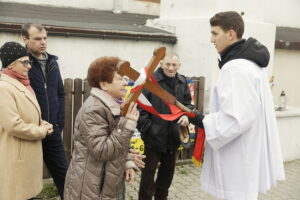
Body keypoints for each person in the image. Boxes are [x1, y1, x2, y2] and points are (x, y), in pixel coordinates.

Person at [199, 11, 285, 200]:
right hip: (245, 151)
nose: (211, 39)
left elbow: (236, 119)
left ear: (231, 34)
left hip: (237, 156)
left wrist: (204, 121)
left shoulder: (236, 68)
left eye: (215, 33)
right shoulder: (250, 64)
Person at [64, 56, 140, 200]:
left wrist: (127, 161)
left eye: (125, 78)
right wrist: (127, 125)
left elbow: (117, 142)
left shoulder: (117, 104)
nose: (125, 82)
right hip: (91, 186)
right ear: (104, 84)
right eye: (120, 79)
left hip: (109, 182)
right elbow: (102, 150)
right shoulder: (93, 109)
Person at [0, 41, 53, 200]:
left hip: (25, 155)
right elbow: (13, 125)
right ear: (10, 65)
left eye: (29, 61)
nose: (29, 66)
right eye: (24, 62)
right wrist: (41, 130)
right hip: (15, 157)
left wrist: (41, 122)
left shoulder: (21, 84)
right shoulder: (4, 88)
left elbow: (27, 114)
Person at [137, 53, 193, 200]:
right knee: (147, 179)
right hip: (153, 139)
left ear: (179, 66)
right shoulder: (150, 81)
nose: (171, 68)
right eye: (167, 64)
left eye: (174, 65)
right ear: (161, 63)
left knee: (166, 177)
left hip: (173, 138)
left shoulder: (182, 81)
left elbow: (188, 104)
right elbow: (140, 109)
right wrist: (148, 130)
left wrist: (186, 116)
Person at [22, 23, 68, 199]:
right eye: (37, 39)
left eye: (45, 38)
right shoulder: (20, 63)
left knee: (65, 177)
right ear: (25, 39)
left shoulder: (52, 62)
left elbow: (60, 93)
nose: (43, 42)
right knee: (27, 181)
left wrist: (59, 122)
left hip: (52, 130)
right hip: (30, 132)